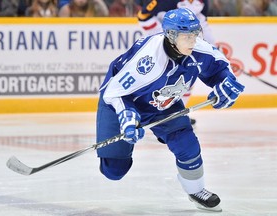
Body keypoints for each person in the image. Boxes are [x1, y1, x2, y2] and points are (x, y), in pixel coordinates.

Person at [95, 8, 244, 212]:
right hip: (122, 101)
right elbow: (114, 93)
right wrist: (127, 117)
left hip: (163, 102)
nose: (193, 41)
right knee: (114, 171)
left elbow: (220, 68)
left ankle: (196, 189)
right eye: (187, 36)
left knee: (187, 144)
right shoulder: (148, 61)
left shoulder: (198, 49)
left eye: (195, 33)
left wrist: (227, 84)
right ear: (171, 36)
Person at [137, 0, 216, 125]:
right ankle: (147, 113)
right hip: (163, 44)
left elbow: (202, 23)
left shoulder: (202, 2)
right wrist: (165, 36)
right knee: (158, 79)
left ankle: (176, 114)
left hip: (184, 44)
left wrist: (212, 49)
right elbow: (143, 17)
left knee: (186, 80)